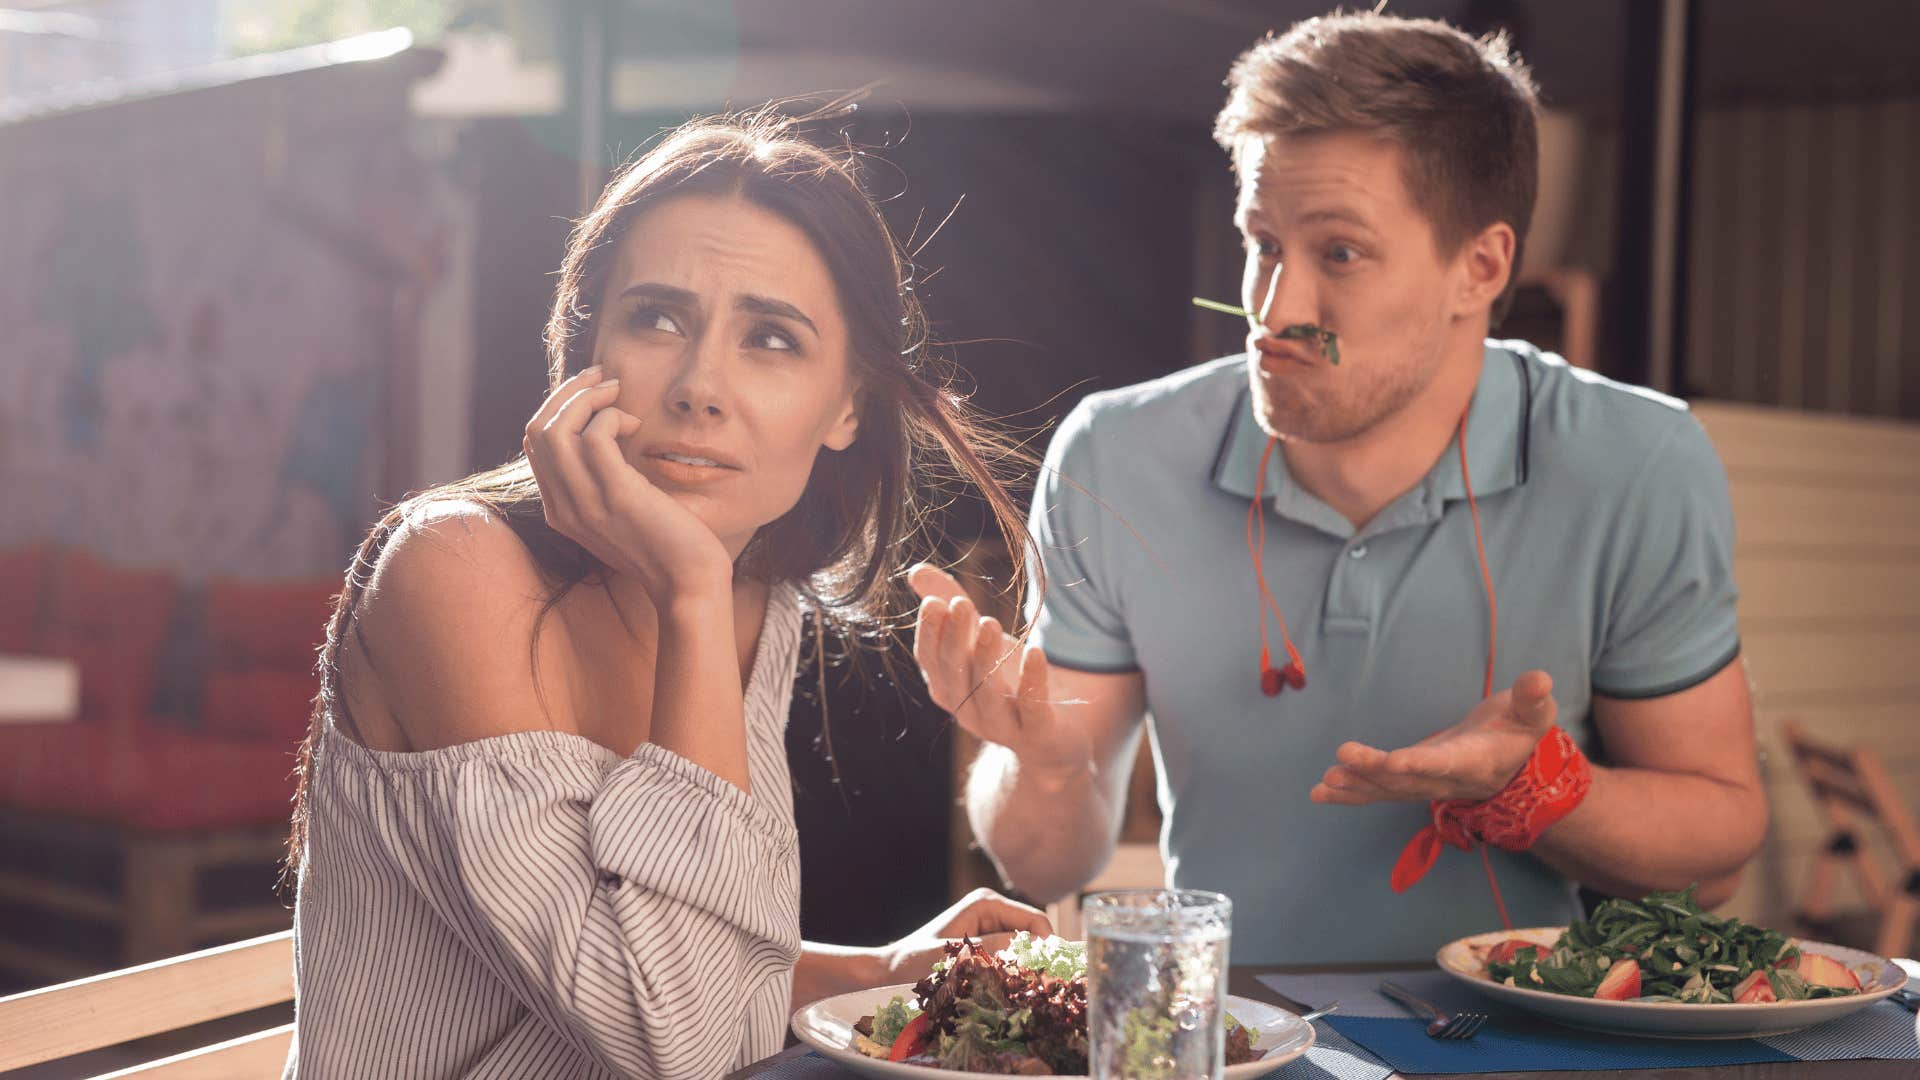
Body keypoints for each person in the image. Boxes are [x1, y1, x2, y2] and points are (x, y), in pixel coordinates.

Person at [911, 11, 1767, 965]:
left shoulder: (1635, 460)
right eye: (1263, 242)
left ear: (1479, 268)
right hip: (1232, 1037)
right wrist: (1042, 761)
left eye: (1341, 254)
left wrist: (1533, 788)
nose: (1275, 311)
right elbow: (1045, 864)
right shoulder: (1113, 454)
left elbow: (1719, 852)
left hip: (1529, 1043)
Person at [281, 107, 1051, 1079]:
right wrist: (690, 590)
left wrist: (875, 969)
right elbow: (674, 1045)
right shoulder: (449, 572)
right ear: (584, 351)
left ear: (849, 404)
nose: (699, 386)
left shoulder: (757, 597)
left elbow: (667, 958)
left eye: (770, 338)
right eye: (656, 318)